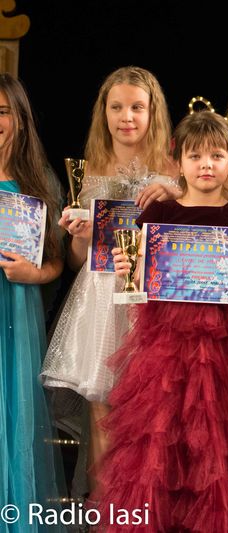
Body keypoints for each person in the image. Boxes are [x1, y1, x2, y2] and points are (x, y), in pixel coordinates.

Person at [95, 111, 228, 532]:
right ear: (178, 162)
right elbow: (143, 288)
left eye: (216, 156)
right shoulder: (158, 214)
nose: (206, 165)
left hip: (226, 355)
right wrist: (129, 271)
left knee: (217, 450)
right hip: (166, 350)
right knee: (159, 444)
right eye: (195, 156)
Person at [41, 66, 179, 493]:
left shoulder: (174, 169)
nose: (127, 117)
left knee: (150, 414)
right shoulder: (91, 169)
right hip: (99, 301)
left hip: (151, 301)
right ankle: (106, 513)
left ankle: (141, 510)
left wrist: (175, 196)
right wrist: (79, 235)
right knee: (101, 414)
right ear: (103, 113)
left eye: (137, 107)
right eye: (116, 107)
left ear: (153, 113)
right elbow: (79, 259)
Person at [0, 73, 67, 530]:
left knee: (14, 414)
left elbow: (57, 261)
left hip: (16, 310)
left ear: (20, 119)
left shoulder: (37, 182)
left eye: (3, 111)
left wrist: (33, 274)